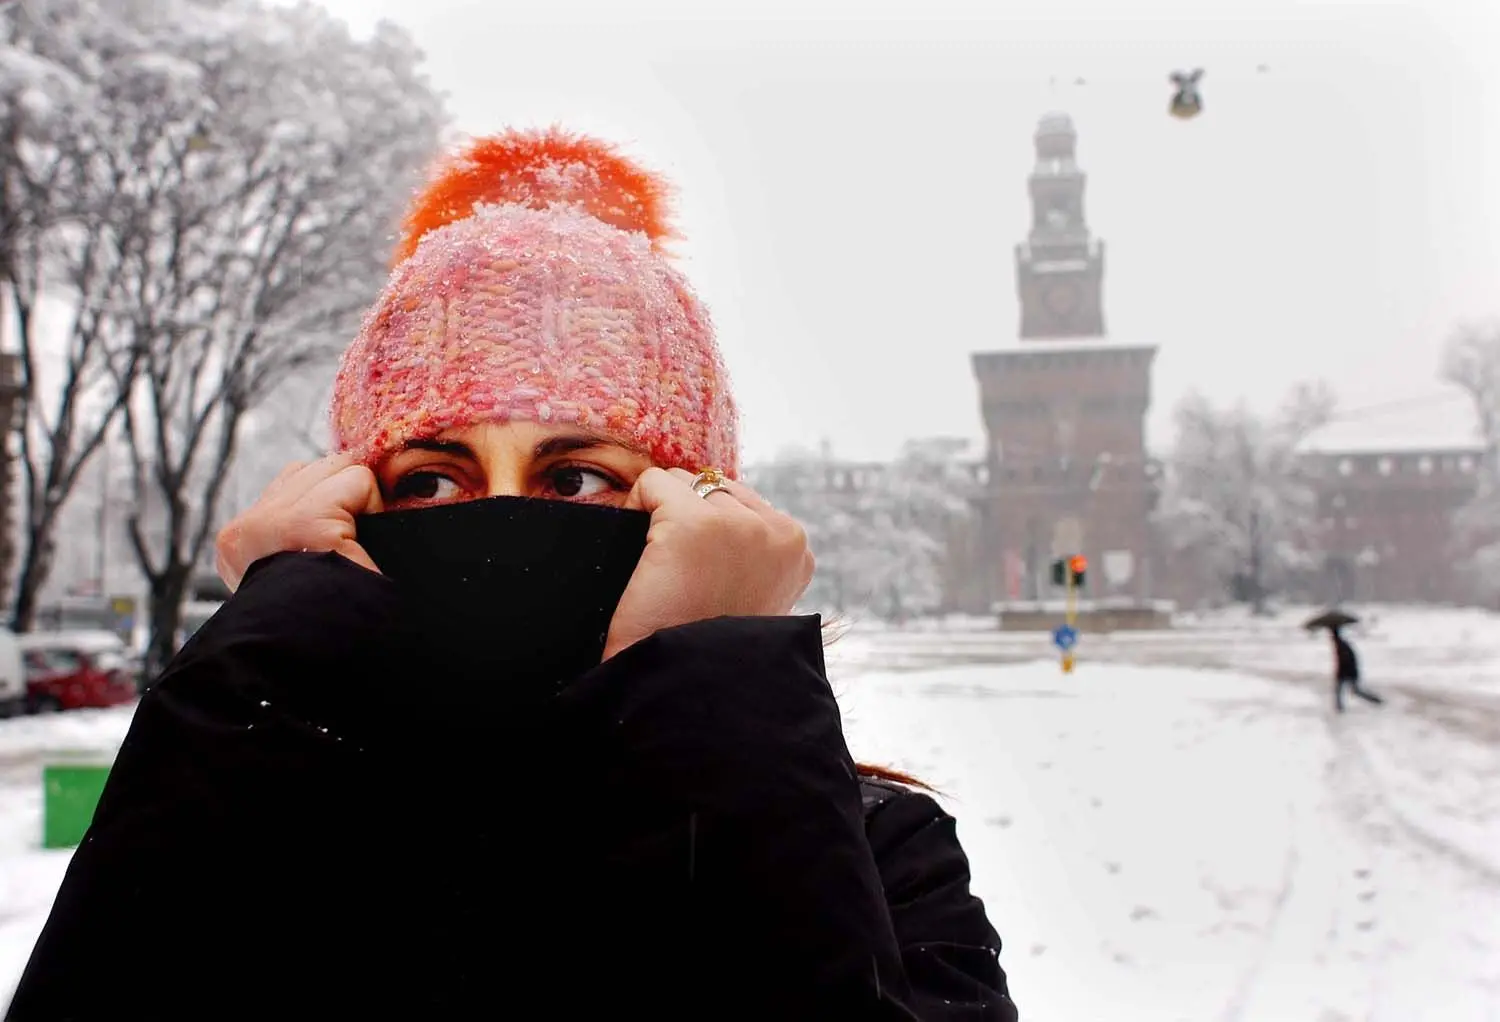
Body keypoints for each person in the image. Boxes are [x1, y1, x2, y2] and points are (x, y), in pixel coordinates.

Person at [8, 129, 1018, 1020]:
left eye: (575, 474)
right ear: (352, 501)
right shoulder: (282, 797)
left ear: (696, 508)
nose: (499, 518)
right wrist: (269, 654)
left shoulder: (876, 850)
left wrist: (718, 691)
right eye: (433, 479)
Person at [1331, 625, 1383, 713]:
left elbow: (1344, 660)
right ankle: (1340, 710)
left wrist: (1341, 672)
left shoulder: (1341, 645)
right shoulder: (1342, 644)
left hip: (1347, 672)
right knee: (1347, 691)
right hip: (1349, 671)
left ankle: (1376, 701)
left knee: (1352, 691)